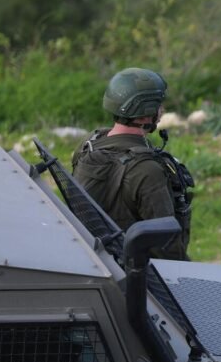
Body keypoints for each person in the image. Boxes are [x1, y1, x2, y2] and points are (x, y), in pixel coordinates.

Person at [71, 67, 193, 260]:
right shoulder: (147, 171)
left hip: (96, 256)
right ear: (145, 113)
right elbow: (167, 247)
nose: (162, 111)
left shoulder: (90, 144)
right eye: (159, 105)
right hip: (140, 274)